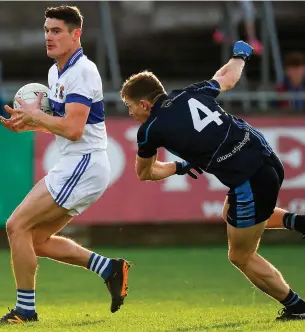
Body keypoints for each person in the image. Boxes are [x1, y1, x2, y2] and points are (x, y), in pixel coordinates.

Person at [120, 41, 305, 321]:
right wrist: (240, 54)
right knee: (230, 213)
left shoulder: (150, 130)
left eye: (130, 106)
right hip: (267, 158)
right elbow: (226, 78)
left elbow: (146, 172)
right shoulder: (191, 93)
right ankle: (297, 222)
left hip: (248, 180)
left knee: (240, 255)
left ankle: (297, 307)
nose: (130, 113)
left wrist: (178, 167)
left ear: (144, 103)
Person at [0, 5, 129, 324]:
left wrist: (36, 116)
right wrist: (28, 125)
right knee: (35, 239)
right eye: (46, 30)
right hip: (77, 163)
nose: (49, 37)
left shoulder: (82, 71)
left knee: (16, 226)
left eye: (56, 31)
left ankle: (25, 311)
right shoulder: (57, 71)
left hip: (84, 163)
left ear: (75, 34)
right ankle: (109, 268)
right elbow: (61, 124)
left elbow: (73, 129)